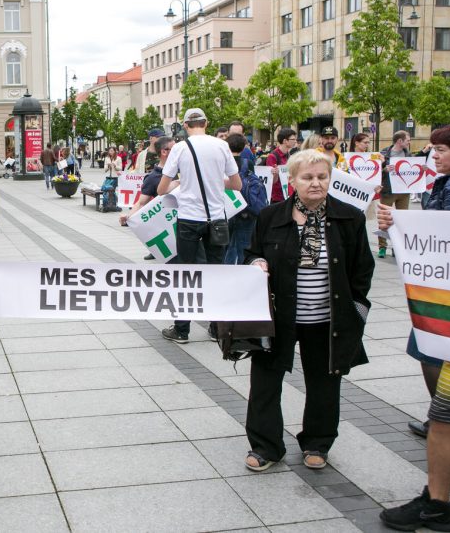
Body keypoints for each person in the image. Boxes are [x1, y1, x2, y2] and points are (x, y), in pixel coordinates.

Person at [243, 149, 374, 473]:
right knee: (265, 382)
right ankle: (265, 446)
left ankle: (317, 442)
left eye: (321, 177)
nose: (315, 183)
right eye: (307, 177)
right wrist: (256, 262)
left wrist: (356, 309)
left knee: (325, 383)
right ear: (292, 180)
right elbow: (252, 253)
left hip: (327, 320)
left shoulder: (349, 217)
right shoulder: (271, 216)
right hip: (279, 317)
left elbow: (362, 270)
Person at [378, 124, 450, 531]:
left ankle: (438, 505)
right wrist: (402, 226)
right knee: (445, 416)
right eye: (432, 148)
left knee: (445, 417)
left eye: (440, 149)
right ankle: (436, 505)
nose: (433, 155)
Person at [157, 108, 242, 343]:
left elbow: (161, 189)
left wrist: (181, 182)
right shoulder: (221, 146)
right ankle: (216, 328)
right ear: (207, 122)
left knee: (186, 274)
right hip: (217, 219)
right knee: (216, 273)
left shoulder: (180, 148)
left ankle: (182, 330)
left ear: (185, 125)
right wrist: (215, 181)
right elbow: (236, 185)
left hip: (189, 219)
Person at [224, 133, 264, 265]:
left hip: (226, 211)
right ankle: (243, 275)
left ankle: (225, 274)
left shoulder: (221, 163)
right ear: (243, 148)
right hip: (246, 209)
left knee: (226, 247)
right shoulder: (248, 163)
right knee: (244, 247)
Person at [377, 130, 412, 258]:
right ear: (400, 141)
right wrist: (384, 169)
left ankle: (396, 247)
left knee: (401, 220)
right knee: (384, 219)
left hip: (403, 192)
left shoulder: (408, 154)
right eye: (408, 140)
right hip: (388, 191)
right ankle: (382, 247)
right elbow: (375, 171)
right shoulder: (384, 153)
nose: (409, 142)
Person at [265, 128, 298, 203]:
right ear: (285, 141)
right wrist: (275, 174)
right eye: (293, 139)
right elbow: (271, 181)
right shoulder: (273, 156)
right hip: (277, 198)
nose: (295, 141)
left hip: (288, 194)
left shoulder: (289, 155)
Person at [102, 146, 123, 211]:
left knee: (112, 190)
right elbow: (105, 169)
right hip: (108, 177)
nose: (110, 152)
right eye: (109, 151)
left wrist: (115, 166)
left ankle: (112, 204)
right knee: (106, 190)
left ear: (115, 151)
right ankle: (109, 204)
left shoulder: (118, 158)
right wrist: (108, 166)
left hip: (115, 177)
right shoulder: (106, 158)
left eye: (112, 151)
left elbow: (120, 168)